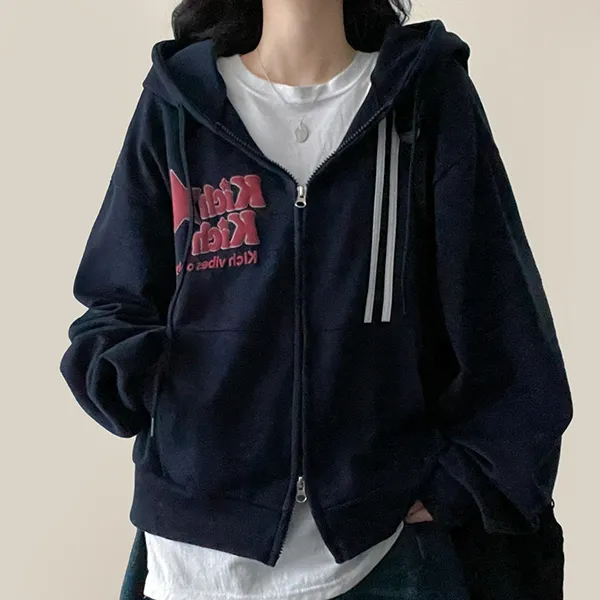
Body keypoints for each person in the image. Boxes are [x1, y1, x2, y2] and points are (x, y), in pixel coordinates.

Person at [60, 1, 573, 599]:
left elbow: (501, 309)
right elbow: (115, 297)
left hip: (376, 554)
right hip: (195, 559)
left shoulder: (421, 96)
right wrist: (128, 376)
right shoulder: (179, 105)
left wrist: (464, 481)